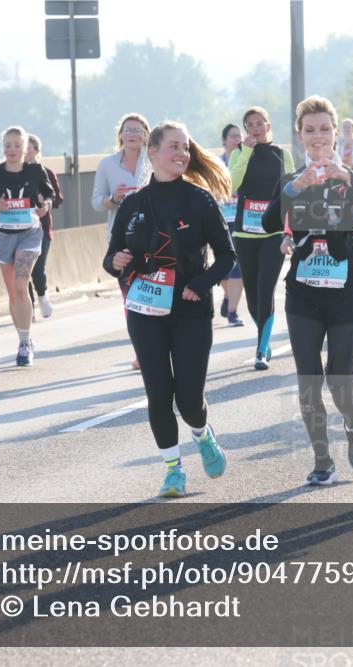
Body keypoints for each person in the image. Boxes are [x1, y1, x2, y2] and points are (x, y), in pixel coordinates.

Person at [102, 121, 236, 498]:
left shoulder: (200, 200)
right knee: (158, 394)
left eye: (186, 148)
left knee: (188, 400)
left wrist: (201, 283)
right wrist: (116, 260)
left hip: (191, 310)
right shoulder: (133, 204)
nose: (182, 153)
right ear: (153, 152)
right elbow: (110, 258)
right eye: (174, 146)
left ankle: (202, 434)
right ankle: (173, 471)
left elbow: (228, 256)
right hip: (146, 311)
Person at [262, 96, 353, 486]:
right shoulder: (291, 180)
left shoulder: (352, 175)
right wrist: (294, 189)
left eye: (324, 129)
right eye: (310, 130)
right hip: (304, 290)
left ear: (335, 133)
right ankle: (322, 460)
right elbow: (268, 223)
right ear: (300, 135)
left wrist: (348, 179)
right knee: (309, 381)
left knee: (340, 380)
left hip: (349, 289)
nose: (317, 136)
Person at [0, 126, 55, 367]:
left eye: (17, 145)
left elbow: (49, 195)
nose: (12, 150)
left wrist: (45, 206)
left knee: (21, 285)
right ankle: (24, 338)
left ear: (25, 147)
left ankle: (24, 344)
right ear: (3, 148)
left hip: (29, 234)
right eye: (8, 145)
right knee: (13, 293)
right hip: (3, 236)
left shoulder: (35, 171)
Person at [228, 106, 296, 369]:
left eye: (260, 123)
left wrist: (290, 230)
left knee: (266, 289)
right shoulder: (239, 152)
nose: (255, 128)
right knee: (252, 297)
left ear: (268, 126)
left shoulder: (282, 154)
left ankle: (260, 351)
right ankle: (264, 339)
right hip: (245, 232)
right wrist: (246, 152)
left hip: (274, 232)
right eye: (250, 124)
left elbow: (292, 193)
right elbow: (232, 184)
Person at [91, 113, 154, 370]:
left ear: (146, 136)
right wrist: (114, 199)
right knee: (131, 299)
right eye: (128, 129)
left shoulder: (154, 161)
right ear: (120, 135)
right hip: (122, 241)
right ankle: (141, 351)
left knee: (154, 296)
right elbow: (96, 202)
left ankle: (157, 347)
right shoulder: (107, 165)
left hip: (155, 239)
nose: (132, 134)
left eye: (138, 130)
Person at [24, 134, 63, 320]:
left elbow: (58, 198)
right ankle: (28, 308)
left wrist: (45, 202)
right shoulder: (15, 174)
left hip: (42, 228)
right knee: (23, 271)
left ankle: (42, 295)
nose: (25, 152)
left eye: (29, 148)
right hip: (21, 229)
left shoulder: (46, 172)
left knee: (37, 269)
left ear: (36, 151)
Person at [218, 123, 245, 326]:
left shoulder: (246, 160)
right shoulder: (217, 164)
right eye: (233, 136)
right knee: (223, 266)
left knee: (237, 266)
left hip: (241, 219)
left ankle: (232, 312)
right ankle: (228, 295)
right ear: (224, 140)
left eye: (239, 136)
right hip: (219, 220)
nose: (237, 139)